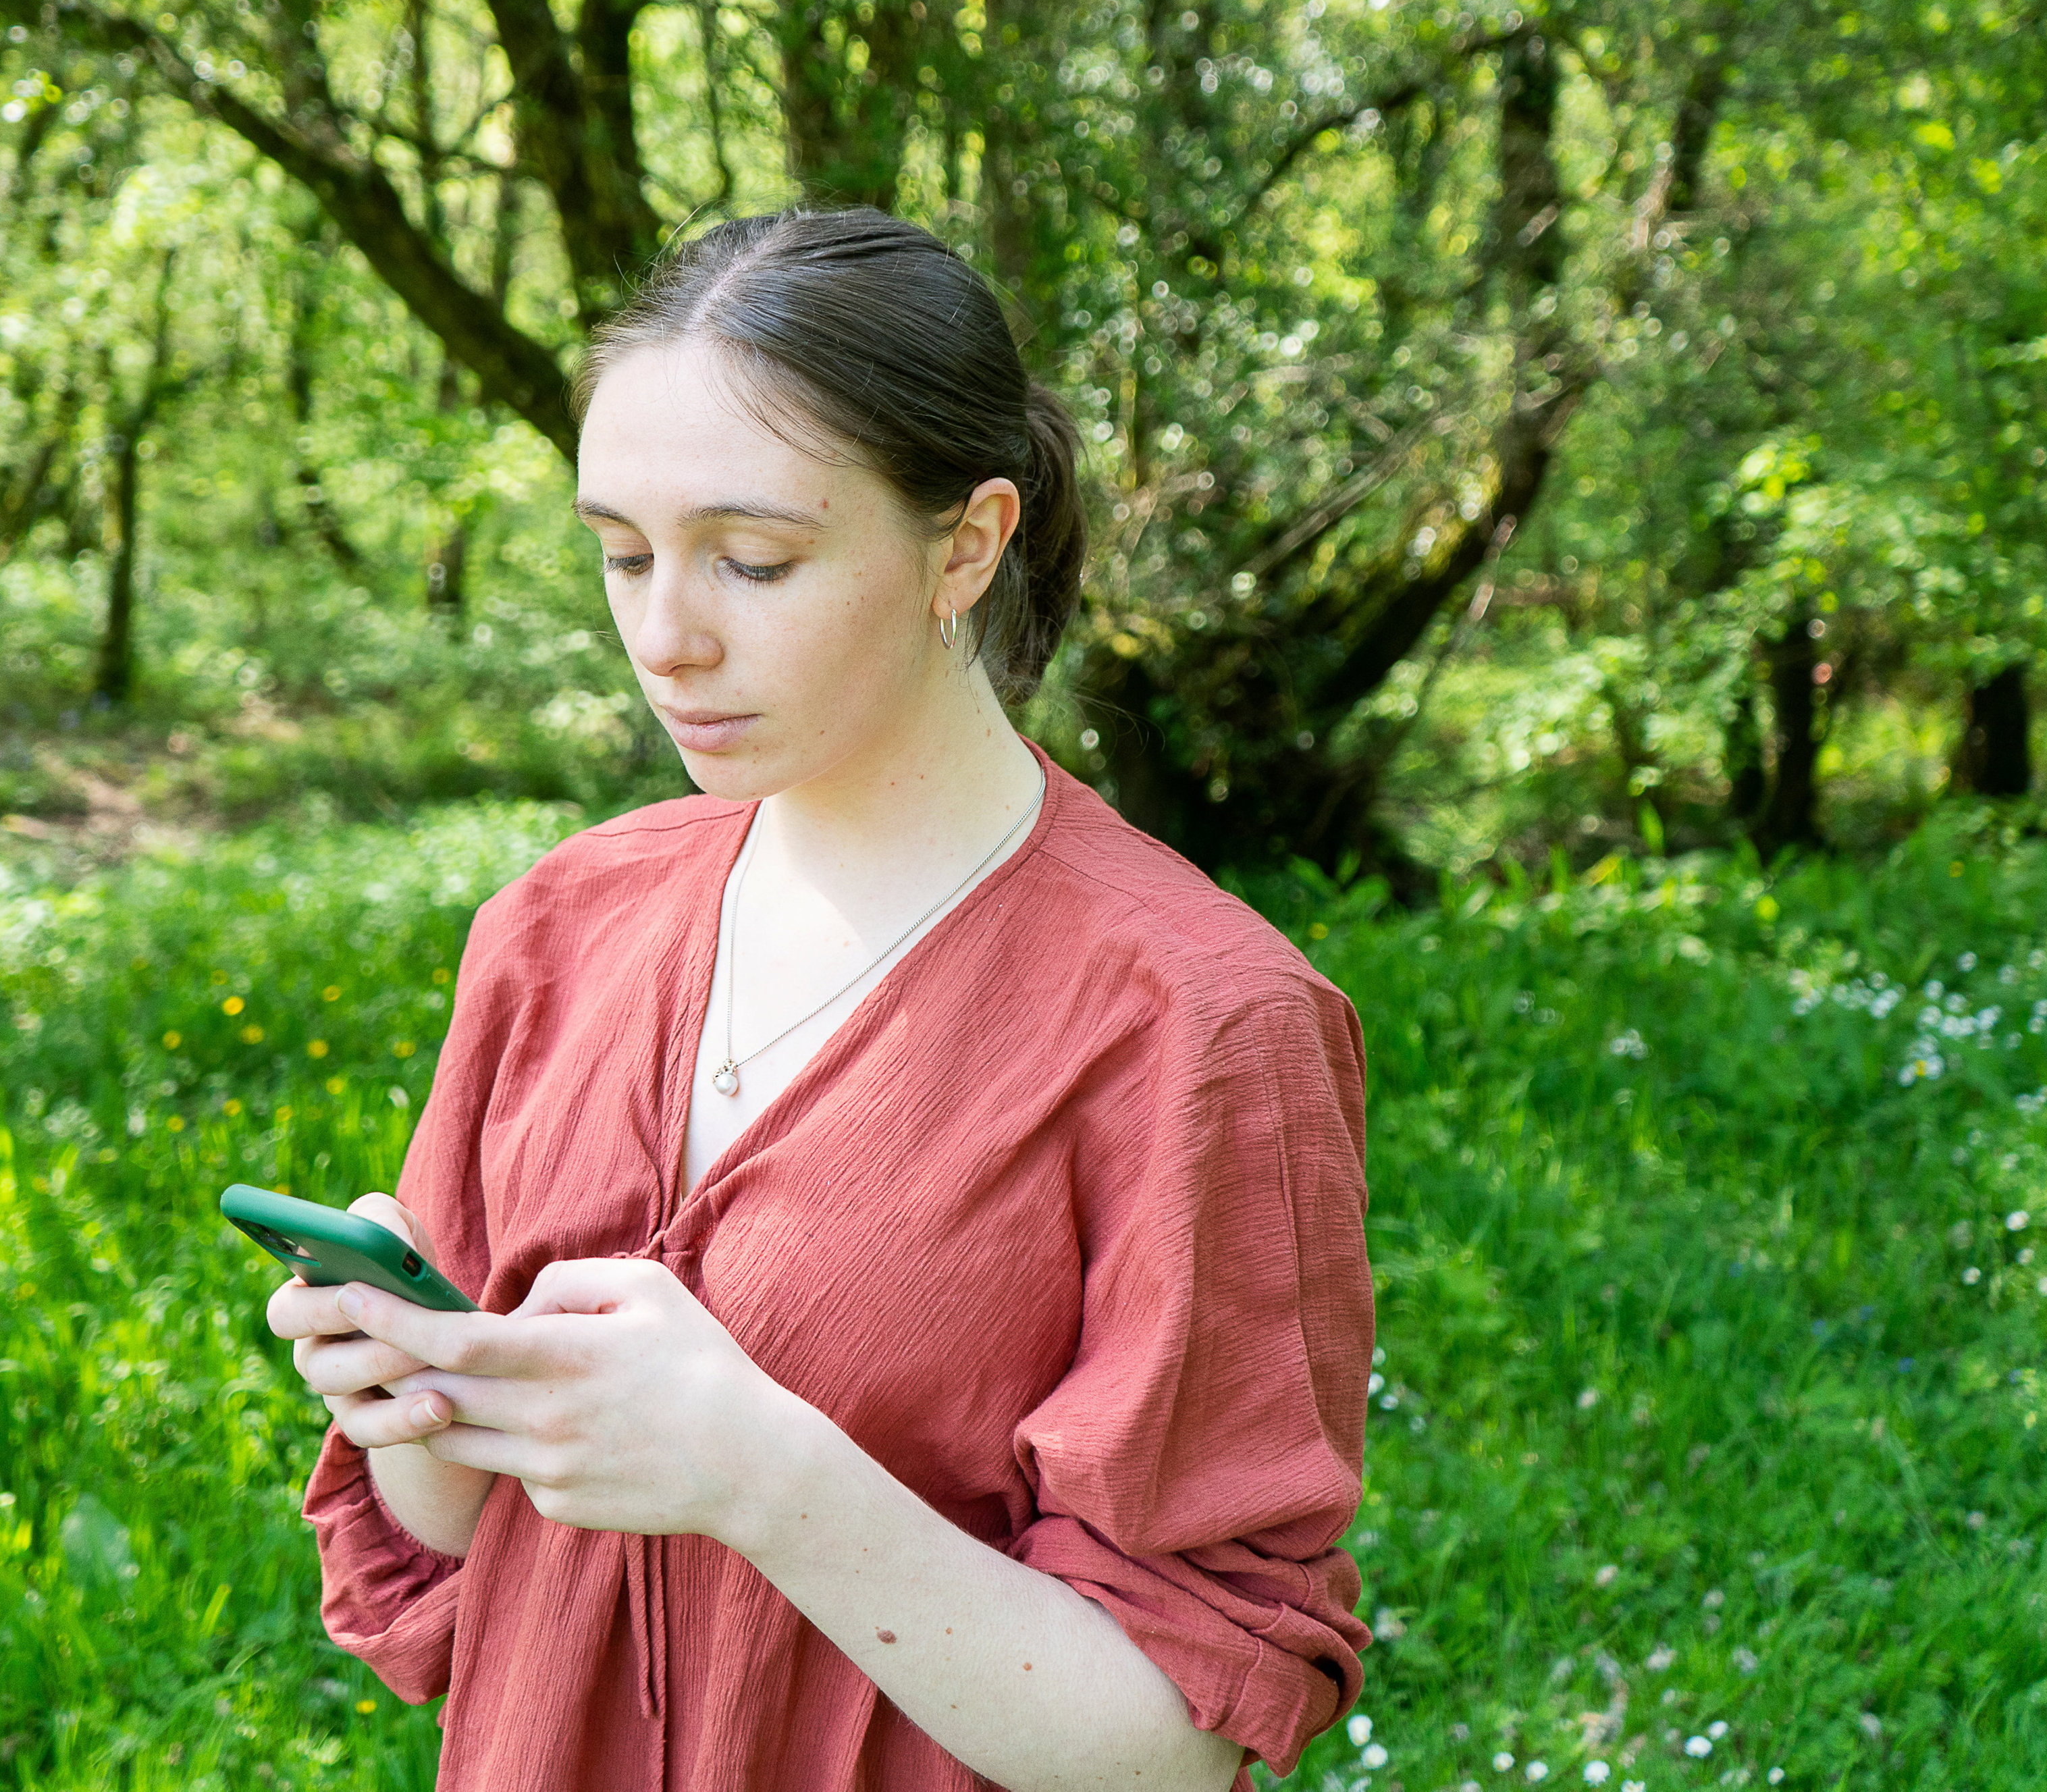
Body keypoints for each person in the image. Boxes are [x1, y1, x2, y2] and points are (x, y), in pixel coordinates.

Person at [267, 207, 1373, 1792]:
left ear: (966, 545)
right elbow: (459, 1540)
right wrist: (414, 1400)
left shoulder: (1197, 1026)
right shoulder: (557, 928)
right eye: (621, 554)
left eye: (753, 559)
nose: (665, 636)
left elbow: (1176, 1747)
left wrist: (762, 1476)